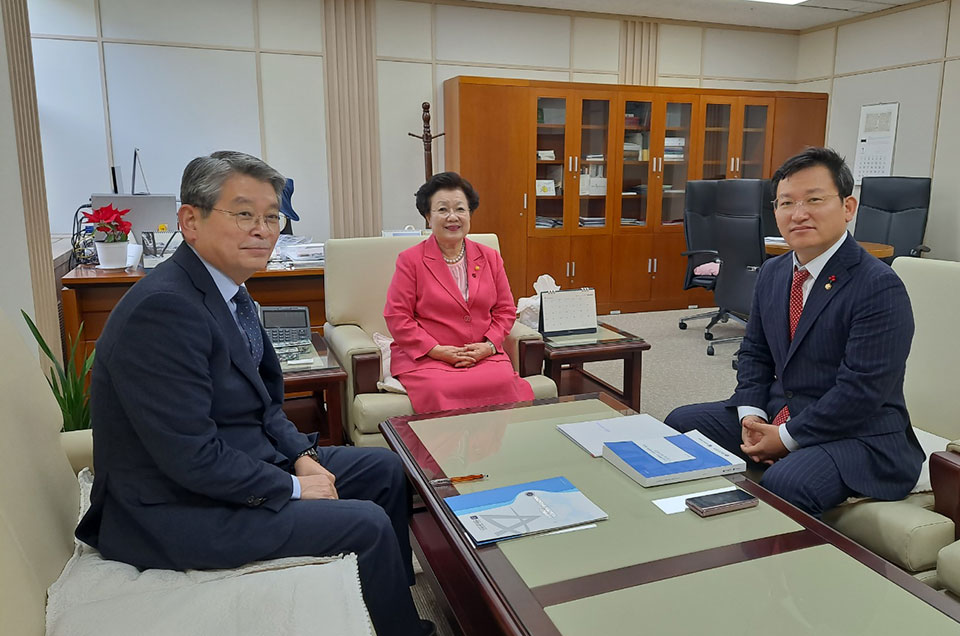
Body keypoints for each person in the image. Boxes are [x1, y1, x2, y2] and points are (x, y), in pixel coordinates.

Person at [76, 151, 435, 636]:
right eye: (244, 213)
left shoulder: (226, 290)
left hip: (232, 468)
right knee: (365, 523)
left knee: (384, 467)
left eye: (272, 216)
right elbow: (191, 458)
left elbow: (264, 407)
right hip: (172, 509)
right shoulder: (163, 311)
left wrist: (303, 459)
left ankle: (386, 603)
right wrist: (291, 486)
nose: (263, 229)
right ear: (190, 220)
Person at [665, 147, 923, 517]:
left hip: (860, 435)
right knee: (681, 424)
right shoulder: (773, 272)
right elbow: (754, 353)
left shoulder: (878, 286)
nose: (798, 214)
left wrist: (786, 438)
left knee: (788, 482)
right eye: (786, 203)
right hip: (780, 411)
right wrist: (750, 416)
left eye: (814, 200)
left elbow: (861, 391)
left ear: (848, 208)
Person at [384, 171, 534, 414]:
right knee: (438, 389)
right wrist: (437, 350)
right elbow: (397, 317)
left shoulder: (489, 257)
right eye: (442, 209)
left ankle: (497, 452)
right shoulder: (410, 260)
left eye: (460, 209)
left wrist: (488, 345)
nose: (452, 217)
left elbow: (505, 310)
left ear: (470, 214)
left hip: (481, 354)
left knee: (504, 382)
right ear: (427, 216)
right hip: (427, 357)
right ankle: (442, 452)